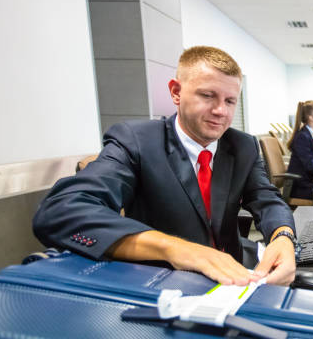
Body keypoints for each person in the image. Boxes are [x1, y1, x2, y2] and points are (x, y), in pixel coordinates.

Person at [33, 46, 296, 287]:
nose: (221, 111)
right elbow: (60, 210)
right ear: (176, 92)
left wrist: (282, 236)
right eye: (207, 96)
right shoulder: (136, 141)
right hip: (161, 283)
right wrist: (178, 249)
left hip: (234, 280)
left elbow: (267, 199)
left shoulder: (243, 146)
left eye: (230, 101)